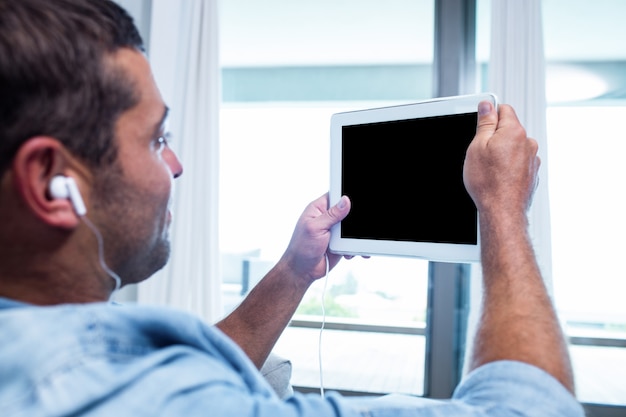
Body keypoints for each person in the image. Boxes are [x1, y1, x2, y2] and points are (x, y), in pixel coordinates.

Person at [0, 1, 583, 416]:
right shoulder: (127, 394)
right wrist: (503, 209)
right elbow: (531, 408)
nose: (175, 164)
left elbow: (197, 362)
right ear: (51, 181)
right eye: (156, 139)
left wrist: (294, 271)